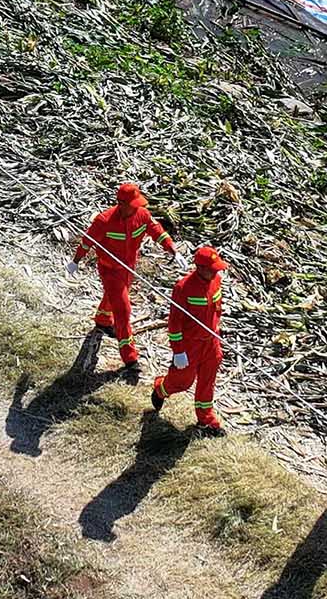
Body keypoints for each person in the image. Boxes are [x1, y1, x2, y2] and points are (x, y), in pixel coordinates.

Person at [71, 181, 174, 376]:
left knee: (114, 298)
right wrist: (75, 261)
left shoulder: (141, 214)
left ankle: (102, 319)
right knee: (123, 310)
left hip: (128, 268)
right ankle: (130, 357)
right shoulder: (104, 221)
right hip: (110, 271)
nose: (138, 206)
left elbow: (156, 230)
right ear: (121, 203)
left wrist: (171, 248)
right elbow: (87, 241)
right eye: (134, 203)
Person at [147, 244, 230, 431]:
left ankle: (205, 419)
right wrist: (178, 351)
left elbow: (217, 309)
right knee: (182, 381)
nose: (216, 273)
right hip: (190, 345)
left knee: (207, 382)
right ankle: (161, 389)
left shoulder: (216, 281)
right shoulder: (183, 288)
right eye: (212, 270)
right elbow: (174, 323)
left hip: (211, 341)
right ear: (200, 268)